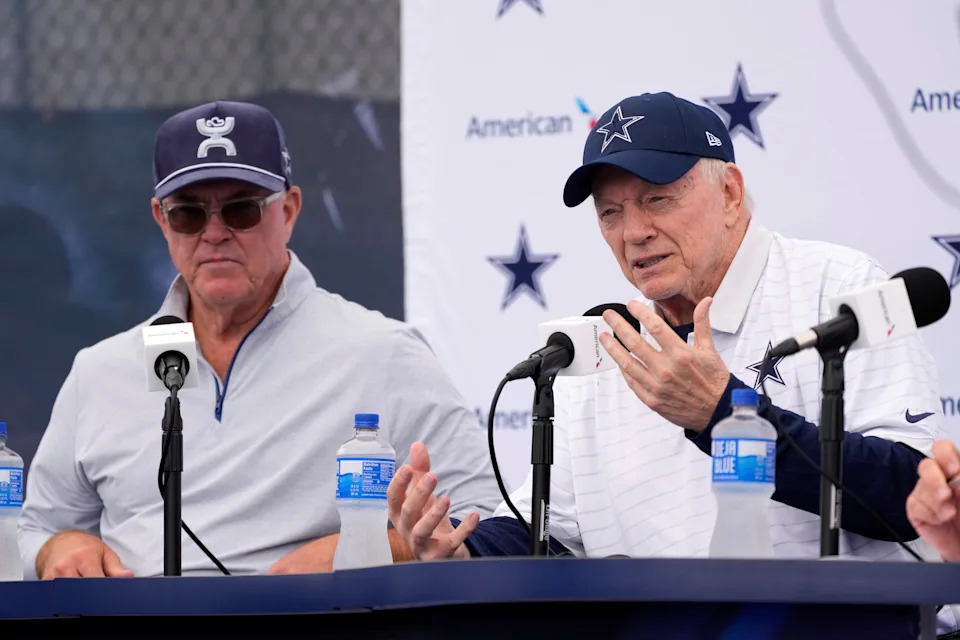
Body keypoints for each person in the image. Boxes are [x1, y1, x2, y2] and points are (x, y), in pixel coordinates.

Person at [387, 92, 947, 566]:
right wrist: (467, 549)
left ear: (729, 192)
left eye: (657, 200)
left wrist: (723, 415)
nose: (633, 232)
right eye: (610, 214)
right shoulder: (601, 343)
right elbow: (558, 536)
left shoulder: (838, 288)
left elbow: (913, 494)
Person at [17, 100, 502, 579]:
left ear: (289, 211)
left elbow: (484, 521)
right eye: (187, 213)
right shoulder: (99, 372)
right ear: (161, 220)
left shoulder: (384, 353)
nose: (214, 233)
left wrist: (363, 548)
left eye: (241, 210)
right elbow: (33, 527)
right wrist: (59, 545)